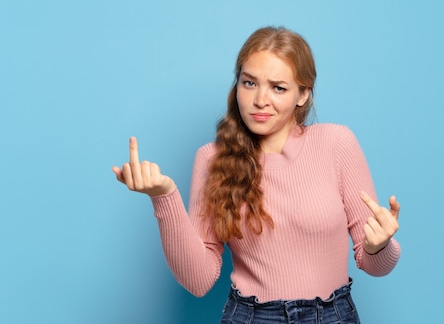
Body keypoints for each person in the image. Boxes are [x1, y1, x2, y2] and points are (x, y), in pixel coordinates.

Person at [112, 26, 401, 324]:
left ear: (303, 94)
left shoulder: (336, 143)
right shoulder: (212, 159)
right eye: (249, 83)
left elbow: (374, 265)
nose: (260, 100)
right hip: (251, 317)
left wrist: (378, 245)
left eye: (278, 88)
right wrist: (164, 197)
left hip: (332, 316)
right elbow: (198, 282)